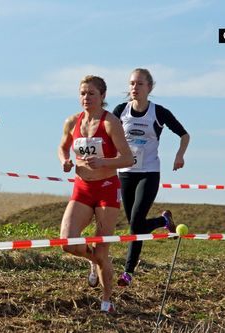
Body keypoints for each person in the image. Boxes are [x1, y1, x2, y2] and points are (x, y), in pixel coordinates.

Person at [58, 75, 133, 313]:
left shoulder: (110, 123)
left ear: (102, 97)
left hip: (106, 190)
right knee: (67, 241)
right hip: (81, 187)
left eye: (91, 94)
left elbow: (128, 158)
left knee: (103, 252)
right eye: (82, 93)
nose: (86, 98)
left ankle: (107, 300)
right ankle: (93, 261)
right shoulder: (72, 121)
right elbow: (61, 147)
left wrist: (102, 161)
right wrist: (65, 161)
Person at [113, 68, 190, 287]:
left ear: (149, 87)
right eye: (131, 84)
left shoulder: (159, 112)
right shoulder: (121, 110)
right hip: (126, 173)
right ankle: (163, 221)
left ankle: (128, 271)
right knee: (135, 226)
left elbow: (184, 135)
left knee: (135, 224)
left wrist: (179, 155)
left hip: (148, 172)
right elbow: (109, 135)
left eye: (139, 84)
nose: (134, 88)